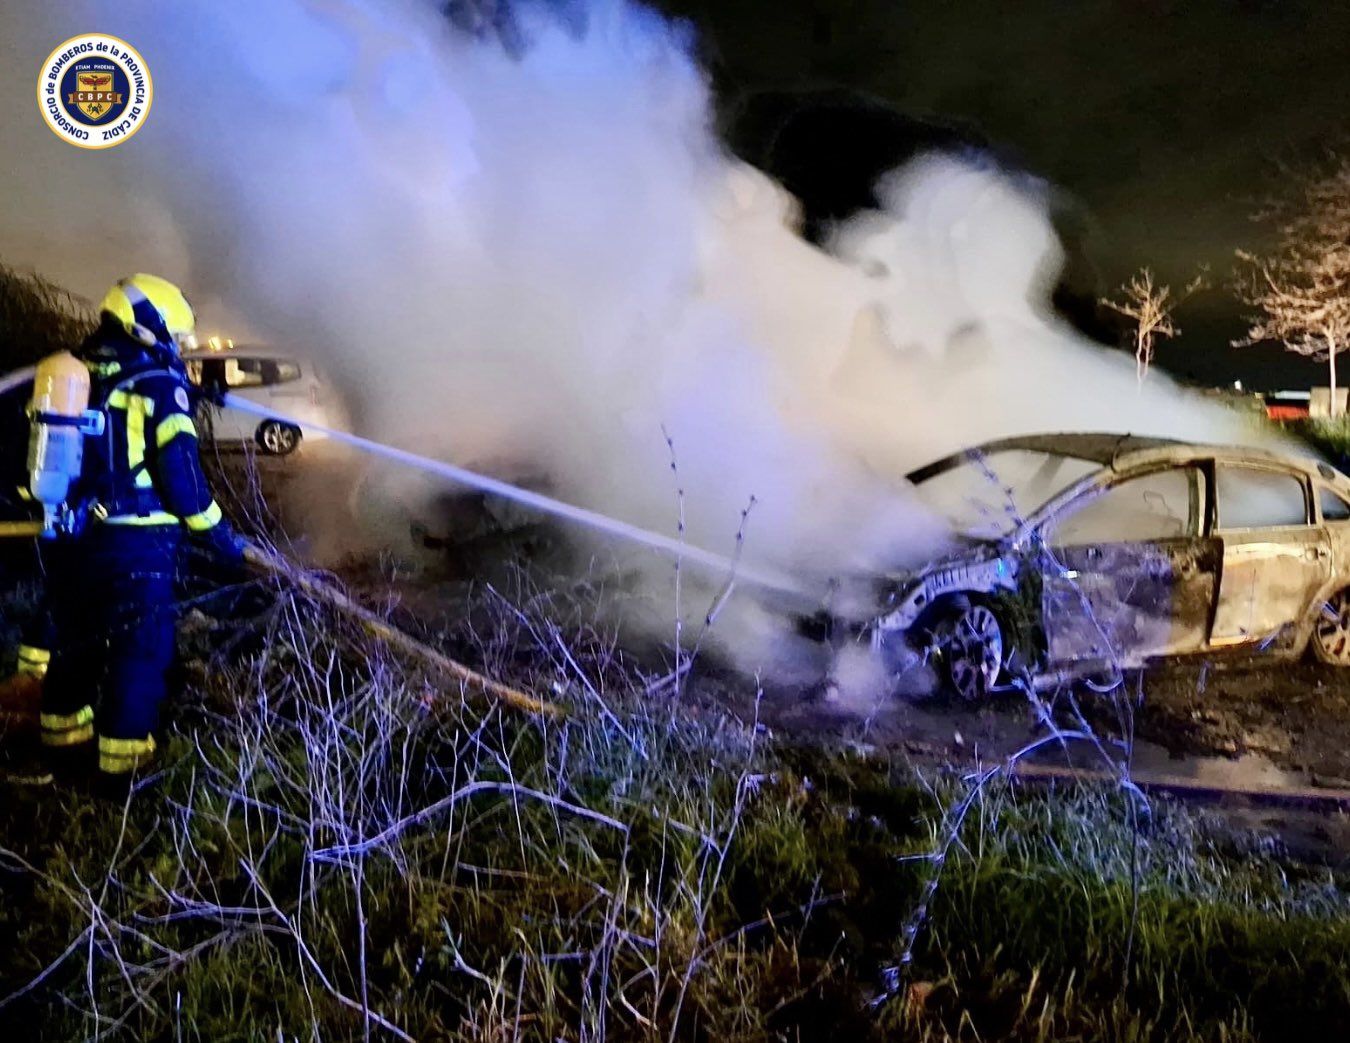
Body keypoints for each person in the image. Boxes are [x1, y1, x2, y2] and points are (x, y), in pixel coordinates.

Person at [35, 274, 244, 791]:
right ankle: (122, 774)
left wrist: (195, 391)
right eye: (174, 333)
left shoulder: (79, 373)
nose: (177, 344)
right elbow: (182, 479)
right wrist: (221, 538)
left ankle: (60, 749)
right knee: (140, 650)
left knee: (76, 641)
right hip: (139, 542)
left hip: (75, 535)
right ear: (150, 327)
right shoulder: (159, 386)